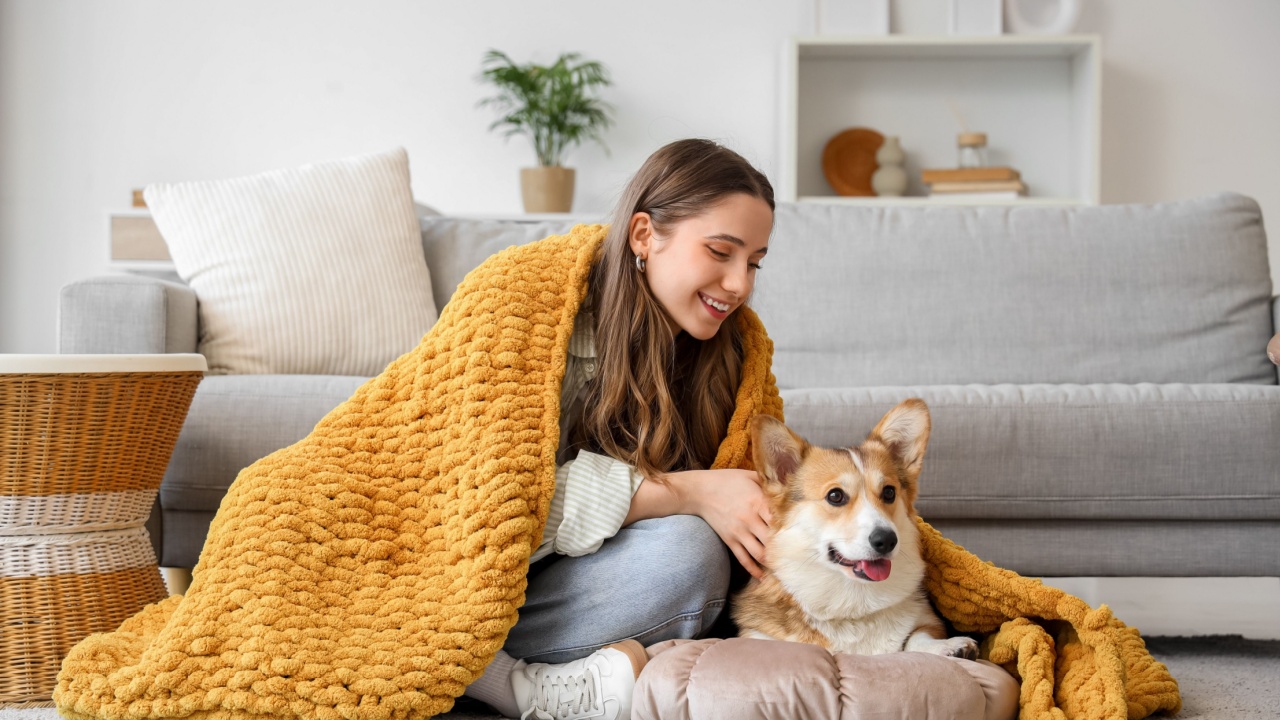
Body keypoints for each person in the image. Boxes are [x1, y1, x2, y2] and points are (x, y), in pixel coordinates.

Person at [462, 138, 776, 720]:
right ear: (643, 236)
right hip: (456, 583)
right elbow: (484, 507)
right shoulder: (519, 303)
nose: (740, 285)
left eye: (754, 262)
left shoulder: (730, 354)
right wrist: (690, 489)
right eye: (720, 252)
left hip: (554, 596)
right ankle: (509, 684)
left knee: (695, 554)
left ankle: (528, 676)